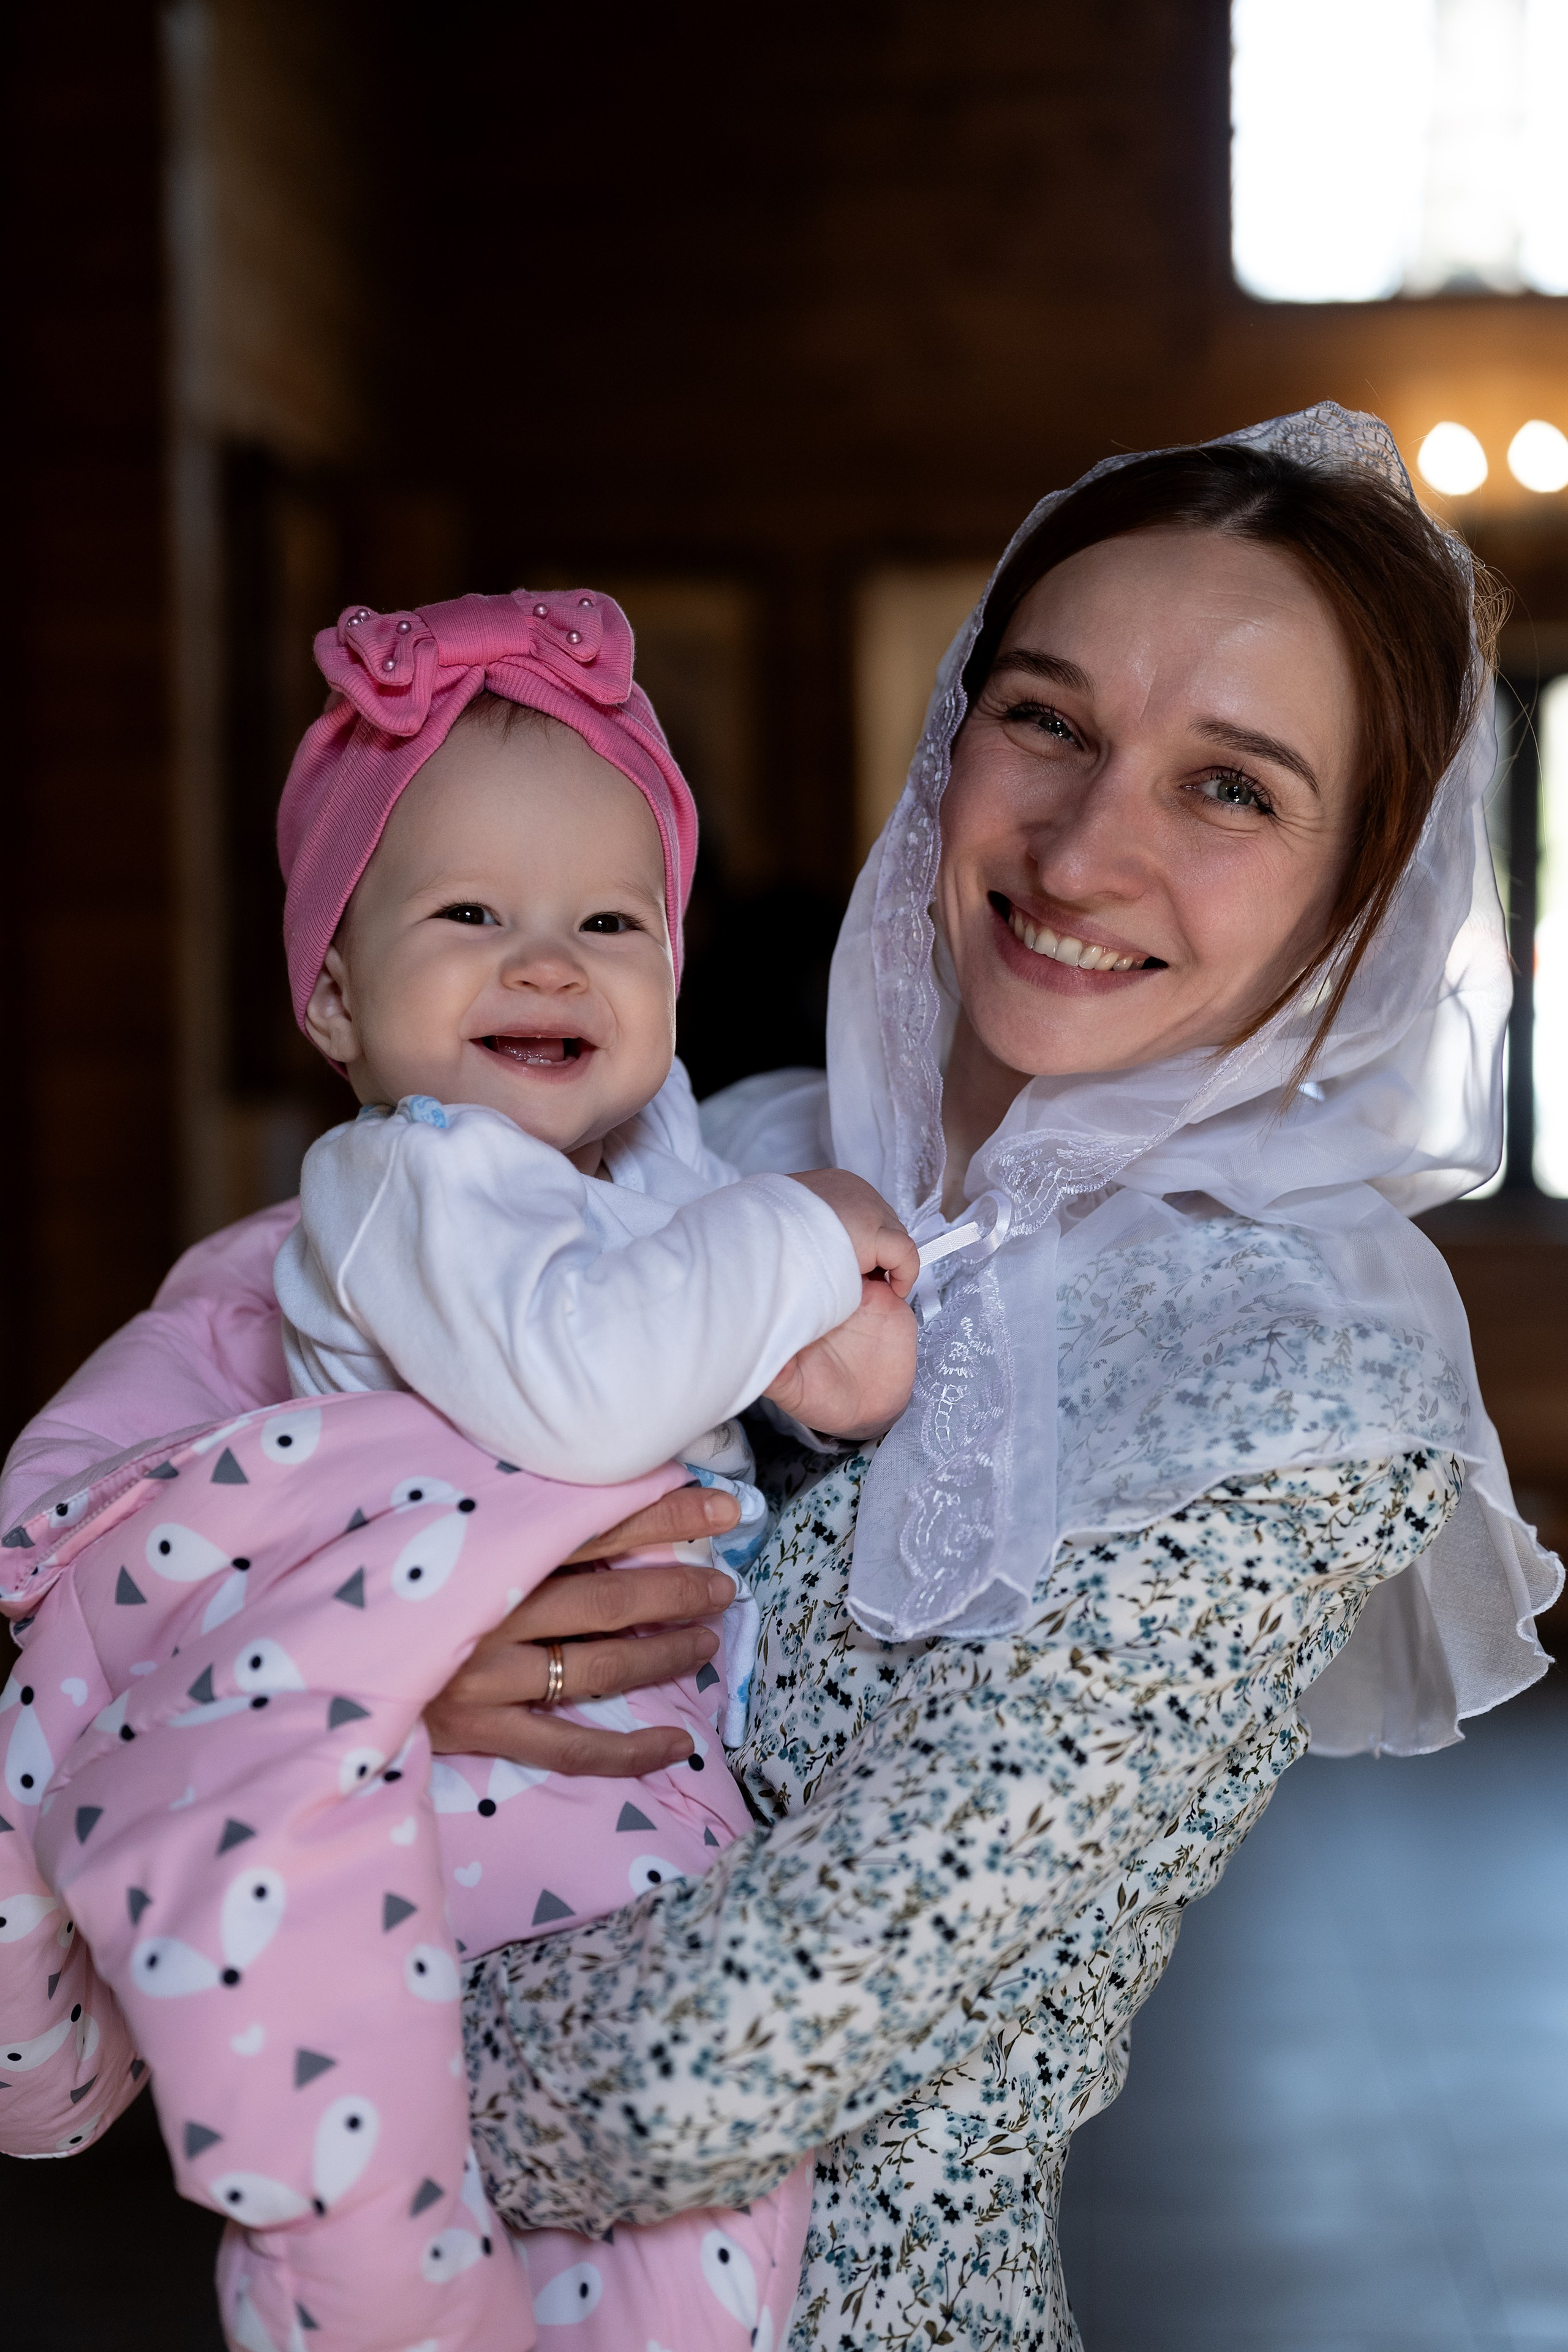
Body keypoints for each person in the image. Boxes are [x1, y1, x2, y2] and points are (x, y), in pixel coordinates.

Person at [2, 405, 1561, 2351]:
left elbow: (703, 2080)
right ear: (952, 734)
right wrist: (368, 1654)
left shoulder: (1297, 1399)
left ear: (1365, 888)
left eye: (1231, 788)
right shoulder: (715, 1146)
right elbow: (216, 1466)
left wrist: (250, 1965)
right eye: (1048, 721)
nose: (1086, 847)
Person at [0, 587, 918, 2352]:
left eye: (608, 918)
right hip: (497, 1809)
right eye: (471, 915)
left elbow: (724, 1347)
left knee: (653, 2248)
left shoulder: (618, 1180)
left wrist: (828, 1332)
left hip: (599, 1779)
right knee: (620, 2232)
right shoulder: (425, 1177)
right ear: (336, 999)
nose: (550, 961)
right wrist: (805, 1241)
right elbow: (586, 1396)